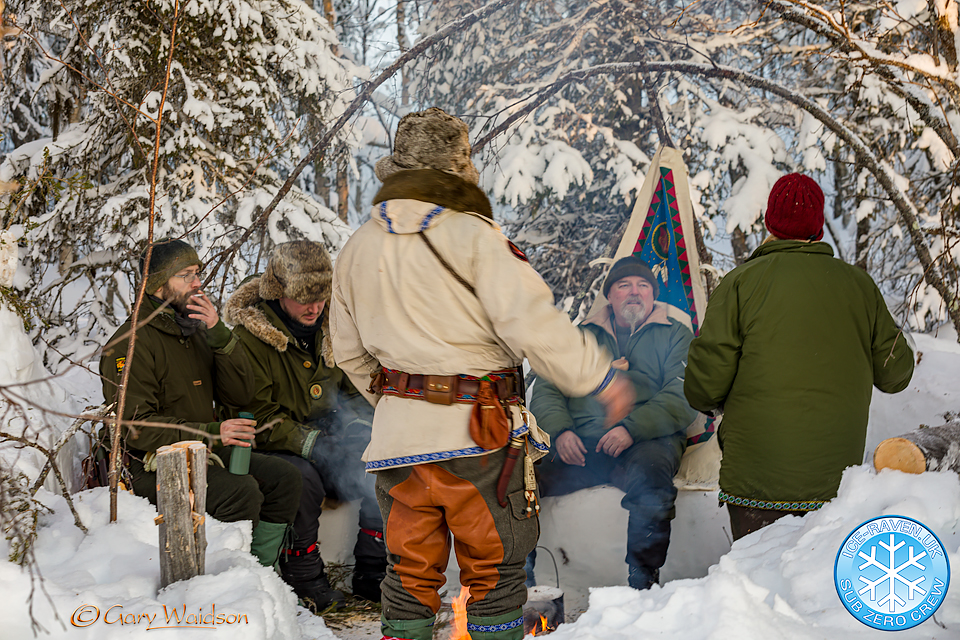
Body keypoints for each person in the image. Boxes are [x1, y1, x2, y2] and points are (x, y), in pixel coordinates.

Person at [331, 107, 634, 640]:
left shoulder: (357, 247)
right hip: (480, 437)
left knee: (408, 574)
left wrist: (403, 406)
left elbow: (350, 354)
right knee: (494, 574)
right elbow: (531, 324)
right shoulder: (475, 236)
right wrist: (600, 379)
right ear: (459, 167)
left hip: (398, 445)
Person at [683, 173, 915, 541]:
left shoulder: (741, 283)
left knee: (751, 581)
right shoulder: (859, 287)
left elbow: (704, 385)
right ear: (818, 228)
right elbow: (897, 374)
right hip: (834, 482)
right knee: (816, 585)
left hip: (755, 481)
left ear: (769, 223)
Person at [99, 238, 302, 569]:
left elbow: (240, 396)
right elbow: (137, 428)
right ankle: (232, 580)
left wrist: (220, 335)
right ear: (158, 283)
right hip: (149, 463)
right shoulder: (130, 343)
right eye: (186, 275)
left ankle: (263, 575)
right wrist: (212, 432)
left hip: (201, 446)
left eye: (197, 273)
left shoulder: (193, 328)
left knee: (285, 479)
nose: (197, 283)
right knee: (241, 491)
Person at [223, 240, 385, 611]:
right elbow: (255, 415)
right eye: (303, 299)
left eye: (321, 298)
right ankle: (305, 578)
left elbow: (356, 388)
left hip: (327, 436)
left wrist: (358, 429)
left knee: (379, 465)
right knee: (301, 479)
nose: (314, 308)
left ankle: (373, 572)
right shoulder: (249, 341)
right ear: (278, 293)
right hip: (273, 447)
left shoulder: (334, 330)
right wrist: (312, 444)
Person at [528, 256, 697, 590]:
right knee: (519, 480)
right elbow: (547, 390)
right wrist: (561, 432)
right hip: (581, 445)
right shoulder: (581, 337)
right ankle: (520, 579)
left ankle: (642, 582)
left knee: (652, 483)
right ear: (610, 296)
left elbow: (684, 394)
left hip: (647, 440)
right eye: (624, 285)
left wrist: (631, 427)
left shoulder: (674, 335)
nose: (634, 292)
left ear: (653, 295)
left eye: (643, 286)